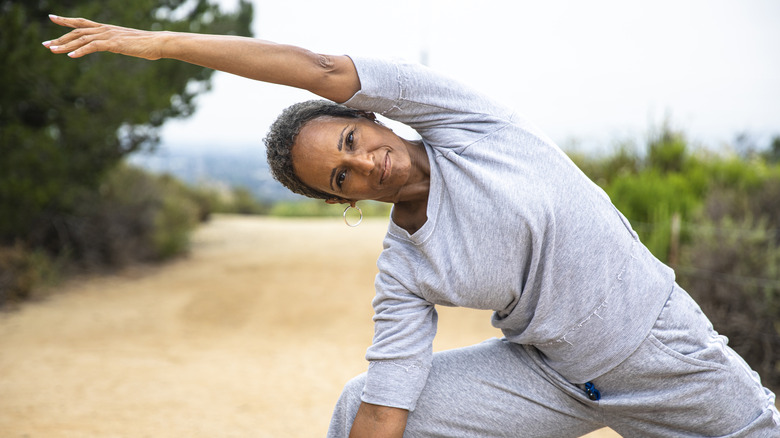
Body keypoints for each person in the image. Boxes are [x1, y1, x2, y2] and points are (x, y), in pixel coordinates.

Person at [45, 14, 780, 437]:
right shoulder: (405, 267)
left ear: (370, 116)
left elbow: (316, 67)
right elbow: (390, 403)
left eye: (351, 140)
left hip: (658, 351)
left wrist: (165, 45)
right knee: (356, 406)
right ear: (341, 201)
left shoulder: (467, 123)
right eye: (341, 177)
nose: (365, 164)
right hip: (553, 377)